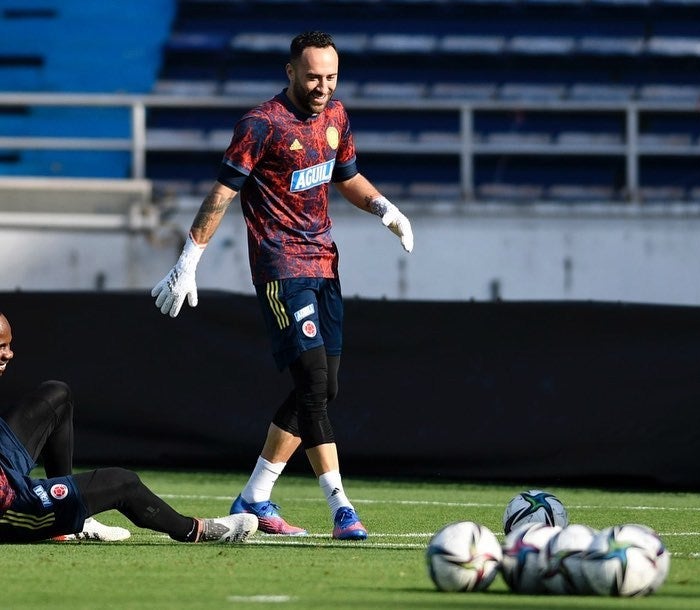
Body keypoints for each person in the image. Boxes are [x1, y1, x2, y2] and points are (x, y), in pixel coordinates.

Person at [151, 31, 414, 540]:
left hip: (325, 266)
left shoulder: (336, 117)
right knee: (314, 385)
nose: (323, 86)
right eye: (313, 76)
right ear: (290, 71)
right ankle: (341, 507)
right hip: (280, 268)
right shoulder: (261, 124)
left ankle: (254, 496)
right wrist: (189, 259)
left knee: (322, 388)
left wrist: (385, 208)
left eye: (331, 77)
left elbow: (346, 175)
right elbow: (222, 193)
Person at [0, 313, 258, 543]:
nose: (9, 354)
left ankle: (72, 524)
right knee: (123, 483)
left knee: (56, 395)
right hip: (10, 503)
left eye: (9, 345)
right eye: (1, 346)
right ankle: (194, 530)